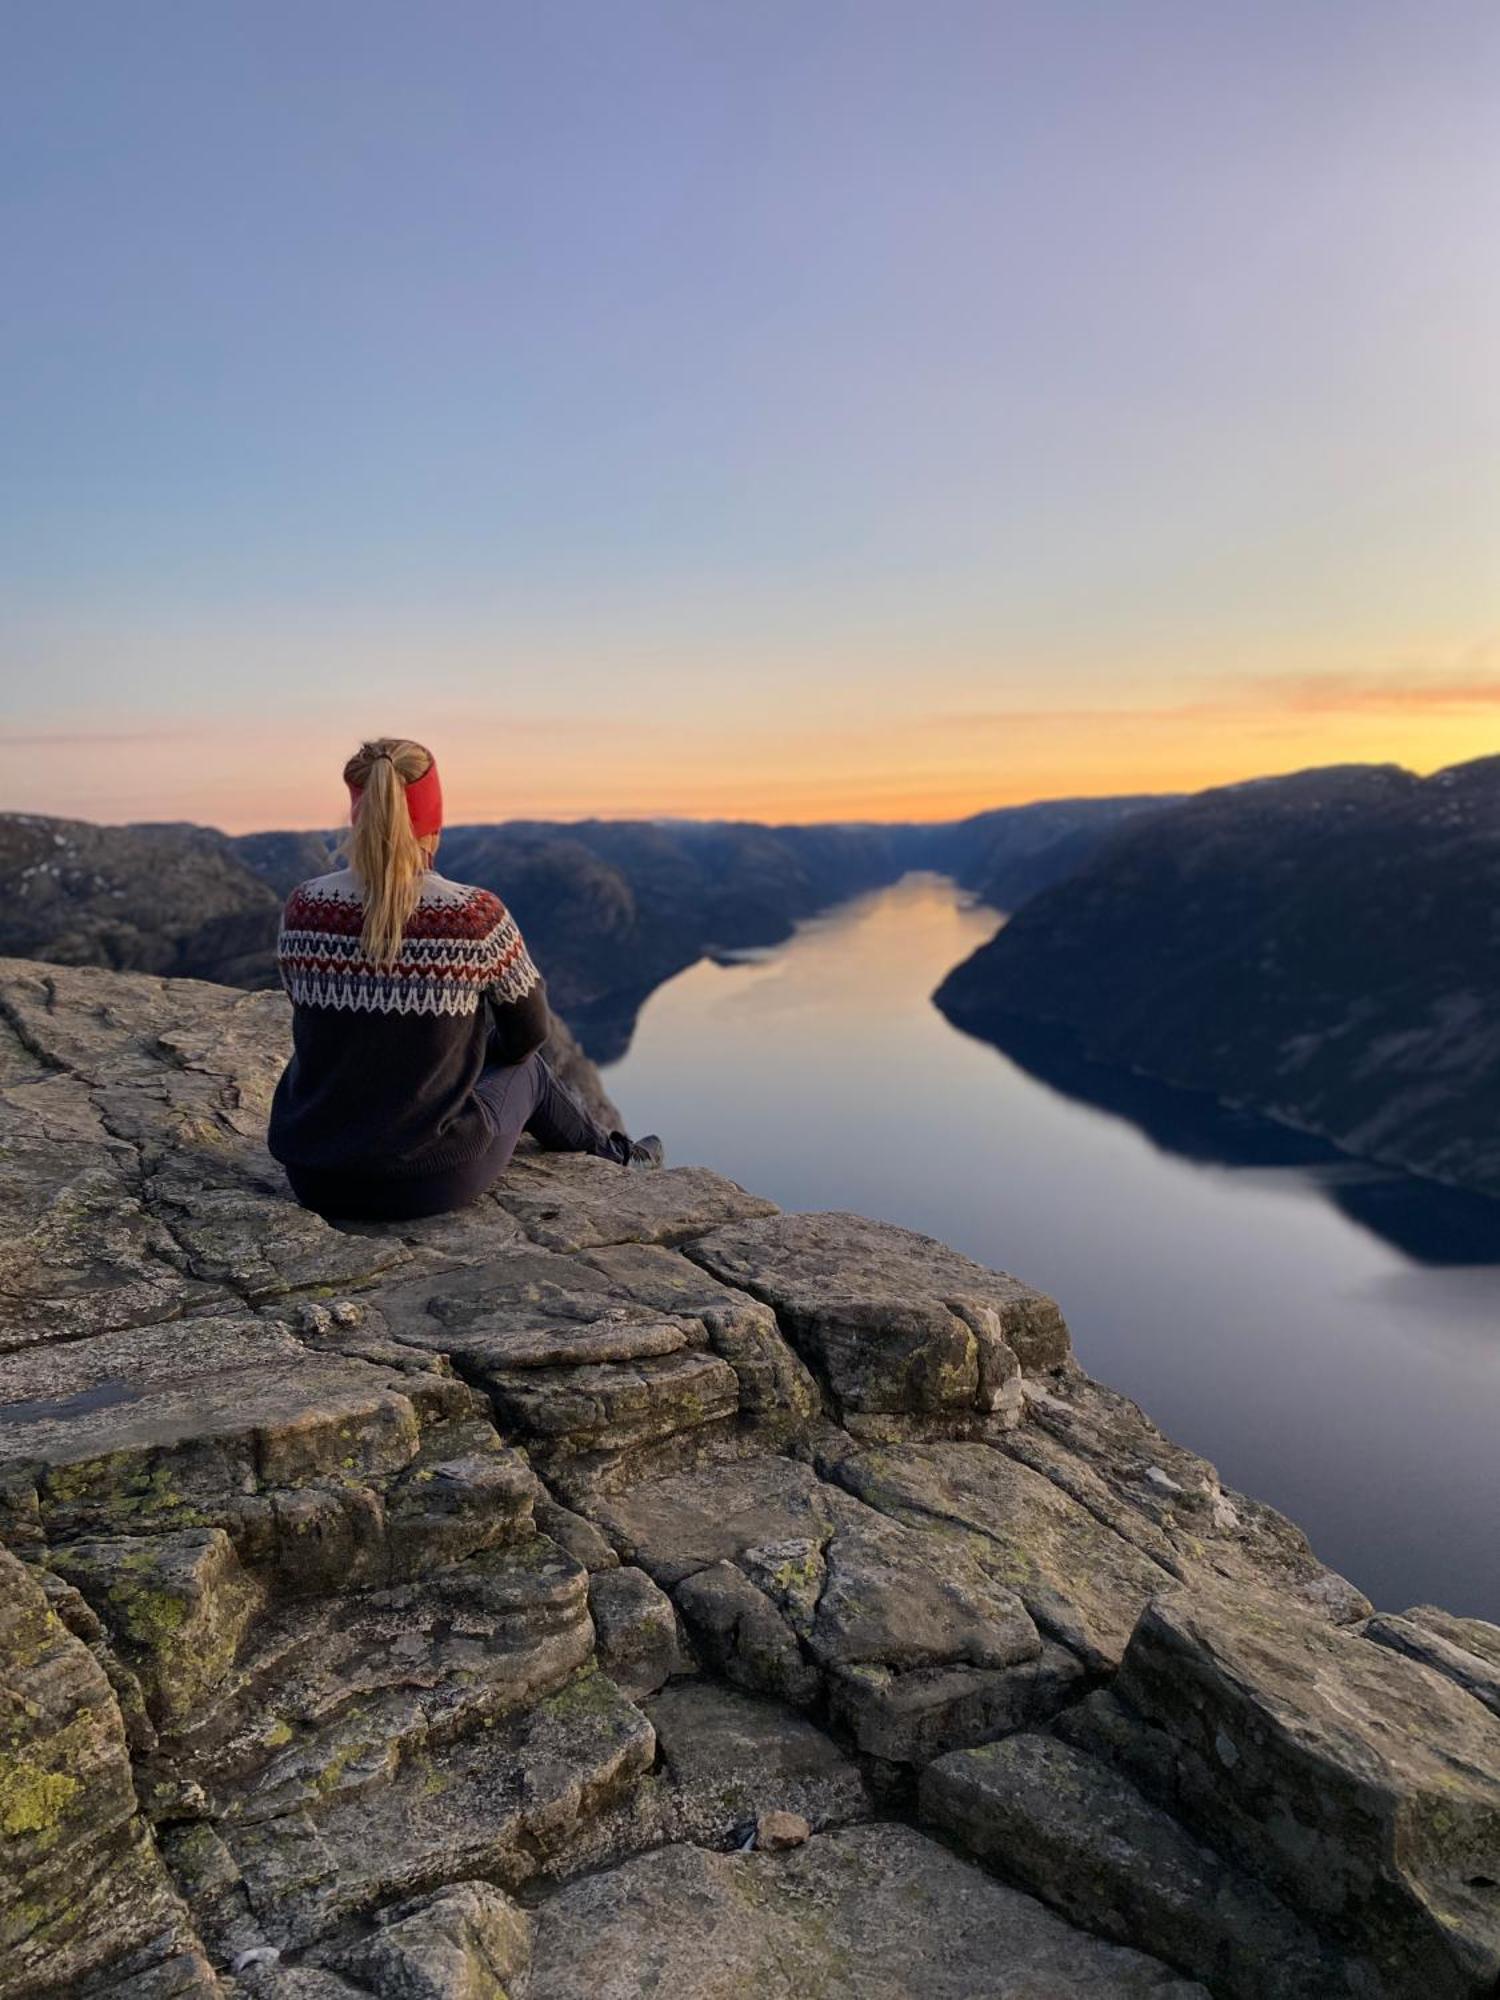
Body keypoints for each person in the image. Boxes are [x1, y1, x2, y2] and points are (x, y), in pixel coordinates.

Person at [267, 736, 663, 1221]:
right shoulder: (472, 914)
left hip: (314, 1177)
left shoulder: (303, 907)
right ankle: (618, 1159)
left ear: (358, 812)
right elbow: (529, 1035)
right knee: (531, 1070)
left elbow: (311, 1012)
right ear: (434, 819)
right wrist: (466, 1063)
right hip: (426, 1182)